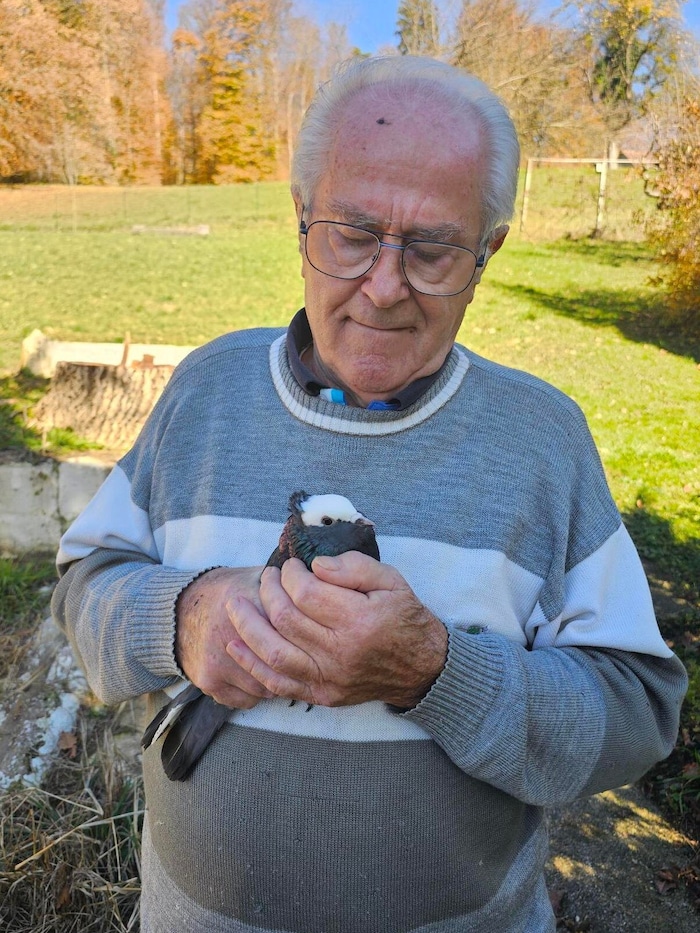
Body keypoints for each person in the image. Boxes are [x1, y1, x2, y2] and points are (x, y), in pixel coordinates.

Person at [52, 55, 687, 933]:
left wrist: (434, 671)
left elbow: (637, 713)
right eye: (350, 233)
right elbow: (84, 588)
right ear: (298, 218)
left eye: (432, 249)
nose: (385, 288)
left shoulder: (543, 440)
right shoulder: (203, 393)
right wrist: (183, 617)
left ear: (487, 252)